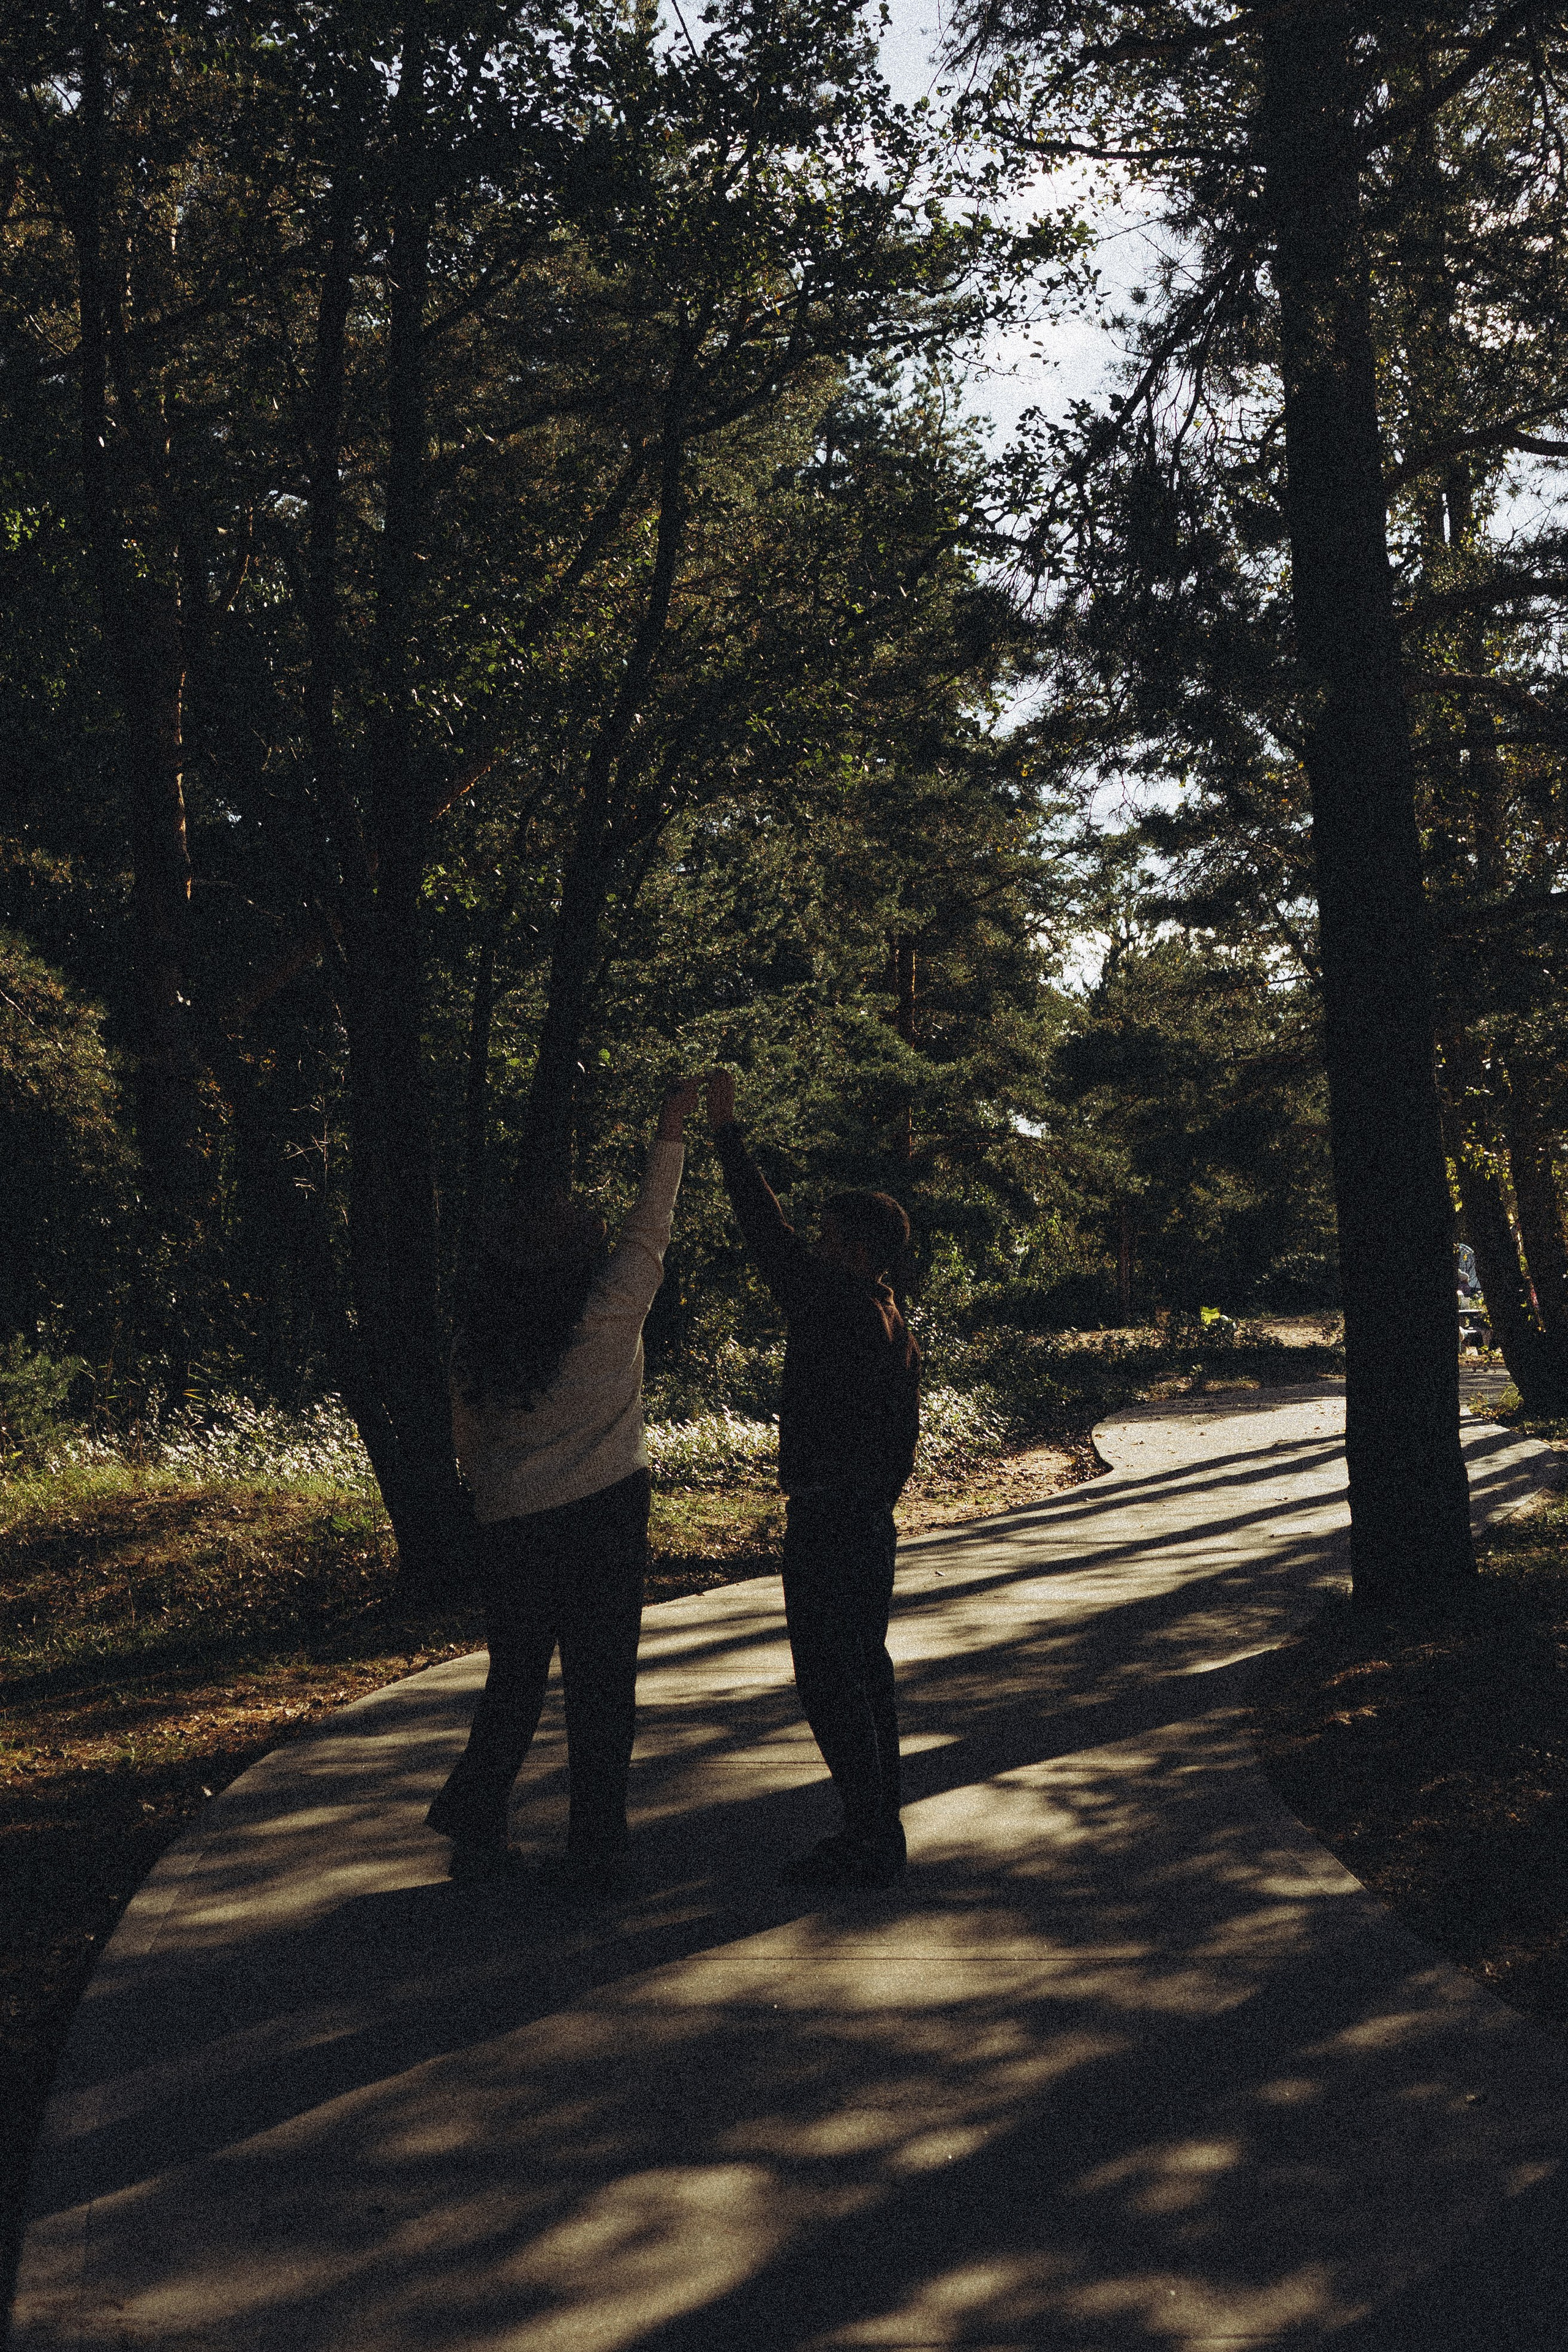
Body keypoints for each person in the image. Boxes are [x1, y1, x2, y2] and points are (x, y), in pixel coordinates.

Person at [427, 1079, 699, 1891]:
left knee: (514, 1679)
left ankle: (477, 1828)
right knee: (601, 1681)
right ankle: (598, 1847)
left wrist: (495, 1492)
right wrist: (670, 1129)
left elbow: (467, 1438)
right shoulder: (611, 1312)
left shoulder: (488, 1335)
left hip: (511, 1520)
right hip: (605, 1514)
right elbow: (652, 1223)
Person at [704, 1068, 921, 1889]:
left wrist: (727, 1132)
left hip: (833, 1524)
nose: (814, 1245)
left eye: (827, 1236)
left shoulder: (838, 1307)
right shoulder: (887, 1317)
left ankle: (869, 1839)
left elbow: (766, 1232)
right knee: (863, 1676)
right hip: (865, 1523)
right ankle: (875, 1831)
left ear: (856, 1251)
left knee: (834, 1682)